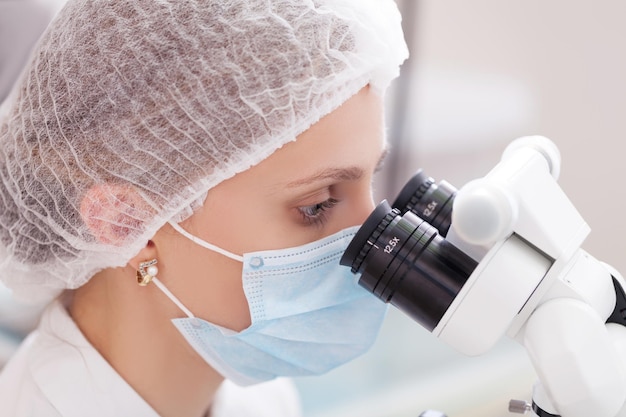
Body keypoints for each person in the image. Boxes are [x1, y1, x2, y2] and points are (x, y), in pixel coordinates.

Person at [0, 0, 408, 416]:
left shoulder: (261, 399)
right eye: (316, 206)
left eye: (371, 182)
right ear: (127, 224)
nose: (375, 236)